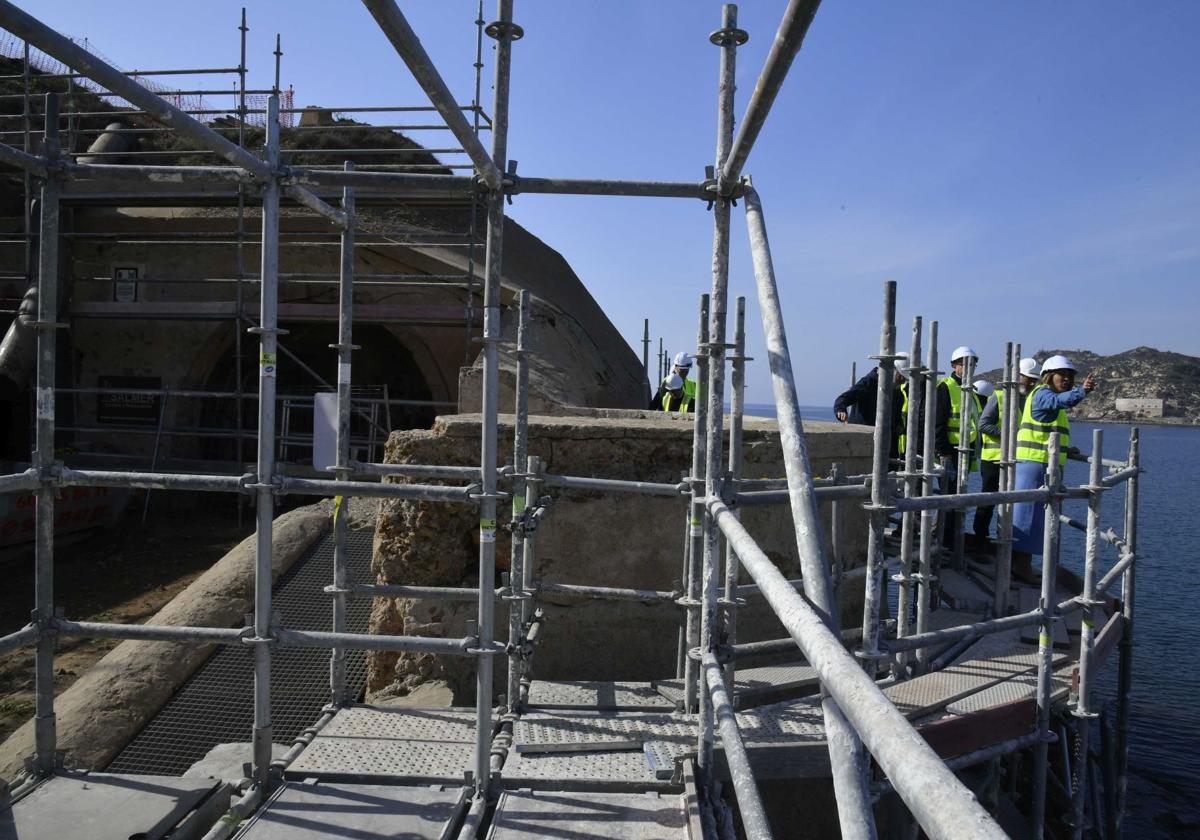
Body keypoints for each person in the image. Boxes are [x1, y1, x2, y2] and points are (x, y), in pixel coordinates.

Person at [1010, 355, 1097, 583]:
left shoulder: (1049, 398)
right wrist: (1082, 391)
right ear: (1049, 376)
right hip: (1035, 465)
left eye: (1070, 377)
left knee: (1034, 518)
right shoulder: (1042, 395)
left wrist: (1065, 449)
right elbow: (1060, 402)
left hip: (1042, 465)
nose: (1067, 379)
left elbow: (1048, 432)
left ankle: (1020, 565)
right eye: (1062, 375)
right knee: (1029, 518)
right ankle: (1021, 567)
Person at [934, 346, 980, 545]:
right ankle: (946, 540)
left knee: (958, 495)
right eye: (965, 364)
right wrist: (944, 452)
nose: (969, 368)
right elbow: (938, 423)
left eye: (973, 365)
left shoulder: (970, 390)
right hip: (950, 453)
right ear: (954, 365)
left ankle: (950, 538)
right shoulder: (946, 387)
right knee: (950, 497)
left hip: (965, 452)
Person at [833, 355, 906, 457]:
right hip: (864, 442)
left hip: (887, 447)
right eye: (901, 376)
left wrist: (900, 426)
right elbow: (844, 398)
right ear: (893, 370)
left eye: (904, 379)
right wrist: (840, 409)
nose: (902, 380)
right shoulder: (869, 383)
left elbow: (896, 418)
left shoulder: (897, 393)